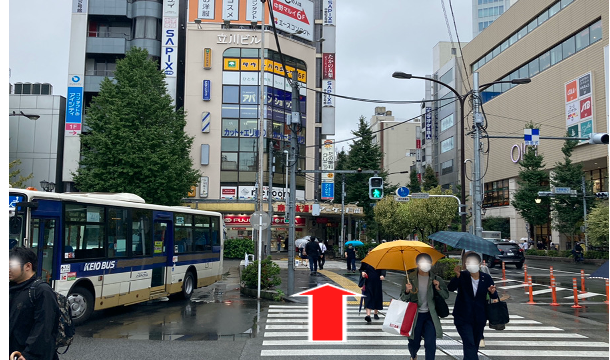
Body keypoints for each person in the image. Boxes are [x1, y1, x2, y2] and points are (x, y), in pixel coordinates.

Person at [9, 246, 60, 360]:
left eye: (11, 265)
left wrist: (29, 355)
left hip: (29, 356)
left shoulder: (42, 291)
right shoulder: (13, 289)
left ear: (28, 266)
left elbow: (44, 328)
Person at [448, 252, 498, 360]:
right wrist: (457, 276)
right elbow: (450, 288)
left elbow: (494, 296)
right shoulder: (463, 276)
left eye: (473, 262)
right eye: (468, 262)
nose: (471, 265)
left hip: (479, 317)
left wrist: (492, 292)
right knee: (469, 343)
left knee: (473, 345)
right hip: (462, 317)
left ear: (479, 264)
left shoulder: (486, 277)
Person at [400, 253, 449, 360]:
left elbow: (446, 295)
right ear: (417, 264)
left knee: (430, 343)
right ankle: (413, 355)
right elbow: (403, 298)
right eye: (422, 262)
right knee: (414, 342)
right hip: (415, 316)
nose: (425, 264)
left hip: (430, 316)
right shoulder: (410, 278)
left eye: (427, 262)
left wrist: (438, 288)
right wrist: (407, 290)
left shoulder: (436, 279)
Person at [360, 257, 386, 323]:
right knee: (368, 297)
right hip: (368, 283)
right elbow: (362, 269)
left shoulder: (380, 261)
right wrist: (363, 273)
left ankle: (375, 313)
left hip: (377, 283)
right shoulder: (365, 261)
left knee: (377, 297)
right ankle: (368, 315)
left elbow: (383, 270)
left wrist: (383, 275)